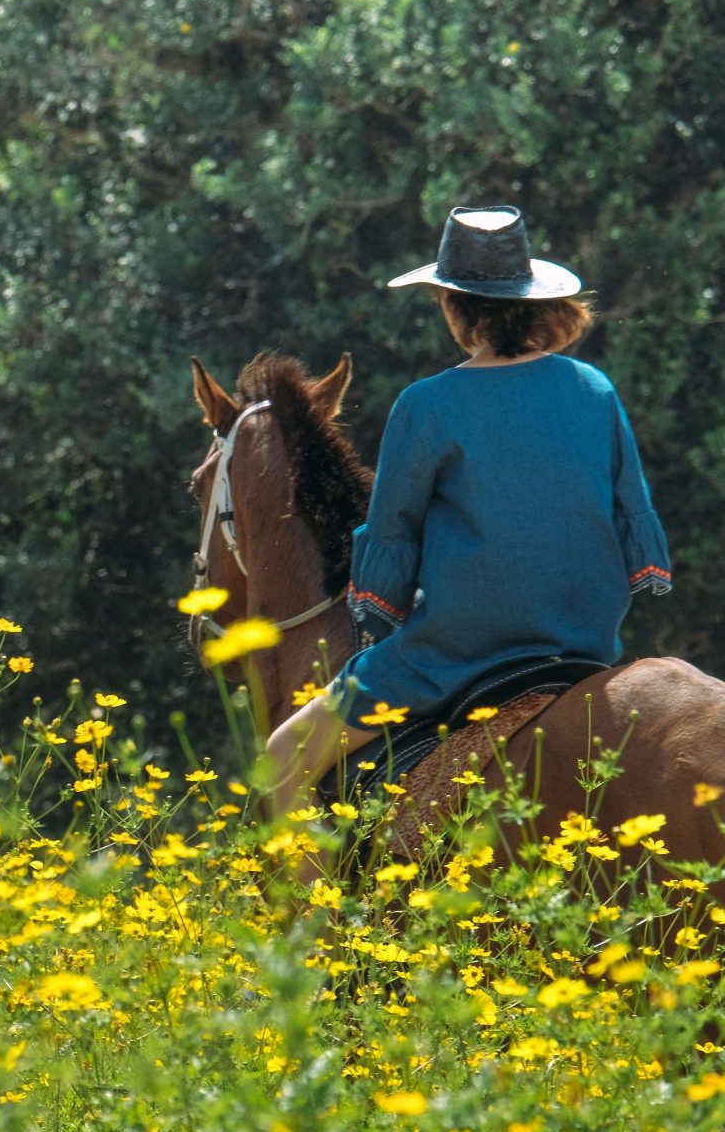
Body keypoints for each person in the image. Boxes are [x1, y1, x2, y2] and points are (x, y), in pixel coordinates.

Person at [260, 204, 674, 820]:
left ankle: (316, 920)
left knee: (283, 755)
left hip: (461, 650)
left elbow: (392, 536)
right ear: (533, 300)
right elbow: (630, 512)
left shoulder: (425, 405)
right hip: (584, 641)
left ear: (455, 308)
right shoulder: (595, 389)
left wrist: (379, 609)